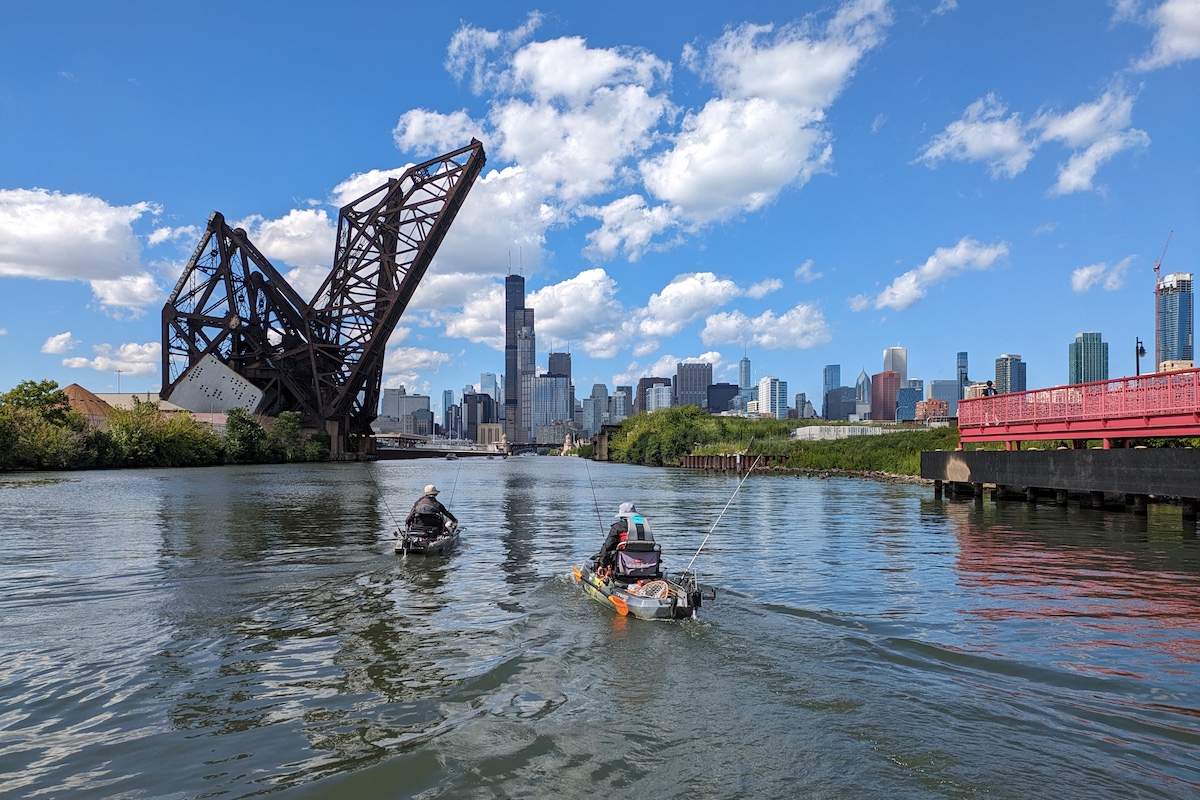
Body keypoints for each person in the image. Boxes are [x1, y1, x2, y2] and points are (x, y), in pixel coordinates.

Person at [595, 501, 654, 570]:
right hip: (647, 563)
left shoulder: (617, 527)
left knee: (601, 555)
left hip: (623, 564)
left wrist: (602, 565)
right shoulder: (645, 526)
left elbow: (607, 546)